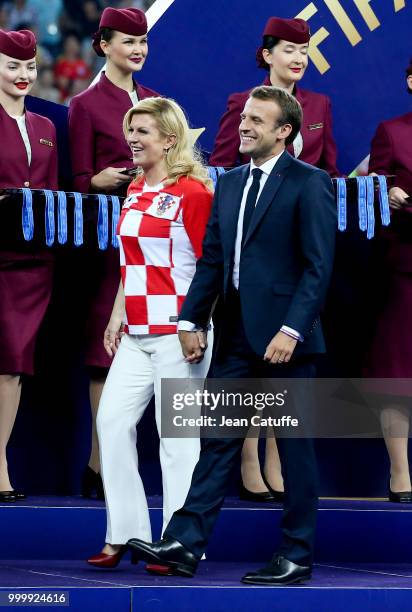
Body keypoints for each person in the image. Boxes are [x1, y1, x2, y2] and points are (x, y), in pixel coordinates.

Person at [127, 86, 337, 585]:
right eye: (244, 117)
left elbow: (317, 268)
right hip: (237, 335)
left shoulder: (311, 183)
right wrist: (190, 320)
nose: (244, 126)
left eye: (257, 121)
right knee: (217, 441)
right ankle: (184, 543)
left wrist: (291, 330)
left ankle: (297, 555)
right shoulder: (231, 182)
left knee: (294, 449)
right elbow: (213, 260)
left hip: (288, 342)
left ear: (284, 131)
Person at [210, 16, 339, 503]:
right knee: (246, 364)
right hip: (251, 256)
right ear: (267, 55)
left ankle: (271, 460)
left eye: (304, 50)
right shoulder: (243, 107)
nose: (298, 58)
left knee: (283, 371)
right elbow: (226, 169)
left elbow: (326, 170)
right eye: (289, 49)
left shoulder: (320, 104)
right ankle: (247, 459)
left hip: (295, 256)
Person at [87, 97, 214, 568]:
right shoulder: (136, 188)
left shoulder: (195, 193)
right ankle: (125, 534)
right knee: (112, 424)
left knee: (178, 442)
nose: (132, 139)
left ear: (170, 139)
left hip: (179, 335)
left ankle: (178, 544)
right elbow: (132, 263)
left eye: (142, 131)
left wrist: (194, 324)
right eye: (131, 130)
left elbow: (211, 268)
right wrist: (116, 313)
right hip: (137, 332)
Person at [68, 6, 160, 500]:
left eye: (143, 41)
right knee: (107, 354)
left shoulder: (155, 102)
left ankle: (122, 468)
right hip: (110, 245)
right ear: (104, 46)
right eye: (128, 41)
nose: (138, 50)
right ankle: (98, 466)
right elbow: (78, 181)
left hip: (155, 242)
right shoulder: (86, 103)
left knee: (151, 352)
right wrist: (99, 182)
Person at [0, 29, 58, 502]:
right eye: (13, 64)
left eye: (30, 66)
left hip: (34, 262)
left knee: (13, 365)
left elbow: (54, 198)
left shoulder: (46, 126)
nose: (23, 75)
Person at [364, 61, 412, 503]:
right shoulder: (392, 132)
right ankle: (401, 474)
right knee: (397, 373)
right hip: (406, 265)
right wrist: (388, 193)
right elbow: (371, 201)